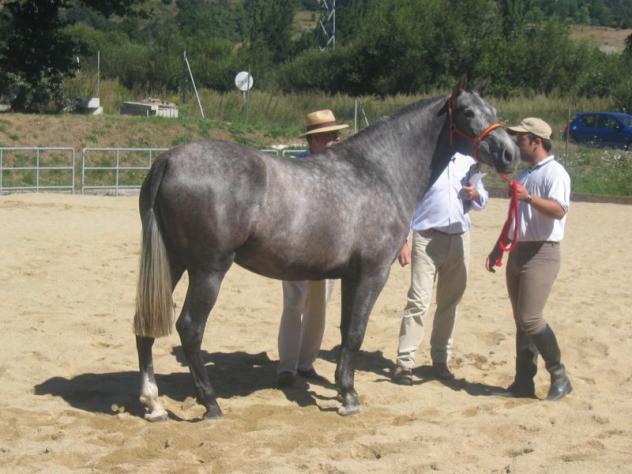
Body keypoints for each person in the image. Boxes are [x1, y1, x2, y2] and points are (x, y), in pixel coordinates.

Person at [485, 117, 572, 401]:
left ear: (536, 141)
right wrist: (500, 246)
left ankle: (560, 376)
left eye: (521, 138)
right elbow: (515, 218)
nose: (516, 142)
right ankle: (523, 382)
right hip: (519, 250)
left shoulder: (555, 173)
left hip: (543, 252)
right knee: (521, 320)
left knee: (530, 318)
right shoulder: (525, 175)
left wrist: (528, 198)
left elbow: (559, 210)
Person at [392, 152, 488, 385]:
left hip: (459, 238)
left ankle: (440, 359)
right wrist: (402, 240)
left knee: (450, 303)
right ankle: (405, 362)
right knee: (418, 301)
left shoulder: (467, 163)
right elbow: (406, 201)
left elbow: (483, 198)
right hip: (426, 237)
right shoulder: (425, 161)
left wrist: (475, 194)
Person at [277, 109, 348, 388]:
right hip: (296, 247)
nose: (337, 140)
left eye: (336, 135)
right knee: (293, 304)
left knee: (319, 307)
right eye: (331, 136)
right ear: (315, 140)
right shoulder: (294, 167)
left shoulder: (342, 170)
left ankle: (306, 363)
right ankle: (287, 366)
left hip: (330, 250)